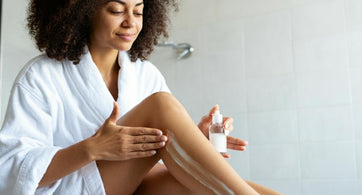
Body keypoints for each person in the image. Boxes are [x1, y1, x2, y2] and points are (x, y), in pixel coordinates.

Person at [0, 0, 282, 194]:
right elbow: (11, 169)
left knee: (198, 184)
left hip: (133, 186)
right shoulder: (41, 75)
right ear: (82, 11)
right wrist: (92, 148)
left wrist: (196, 140)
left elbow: (162, 149)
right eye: (116, 10)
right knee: (161, 105)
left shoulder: (144, 73)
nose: (130, 23)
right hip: (69, 188)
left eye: (138, 11)